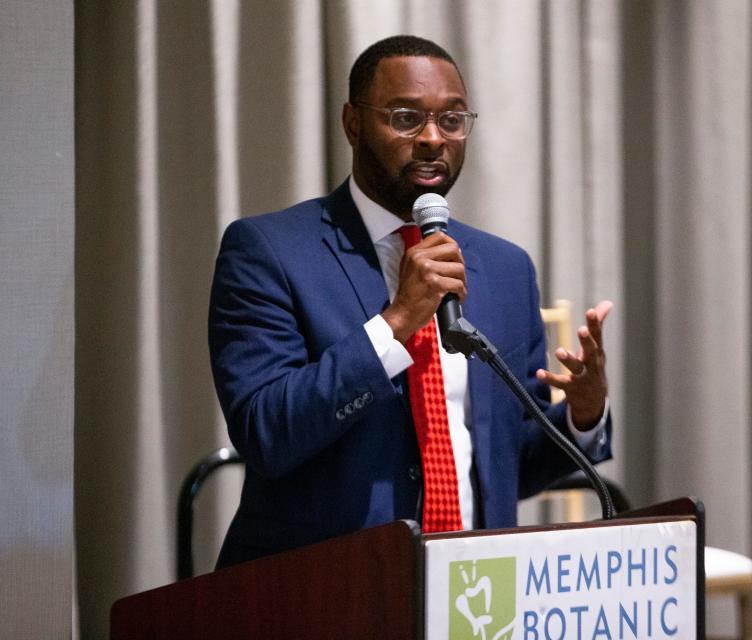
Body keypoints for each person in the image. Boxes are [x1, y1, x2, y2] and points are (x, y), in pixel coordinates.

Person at [208, 35, 614, 568]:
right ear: (353, 123)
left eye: (451, 120)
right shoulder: (269, 251)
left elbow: (505, 464)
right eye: (405, 118)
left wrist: (583, 415)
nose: (432, 139)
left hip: (472, 595)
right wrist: (397, 323)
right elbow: (267, 433)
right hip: (323, 593)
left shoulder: (506, 268)